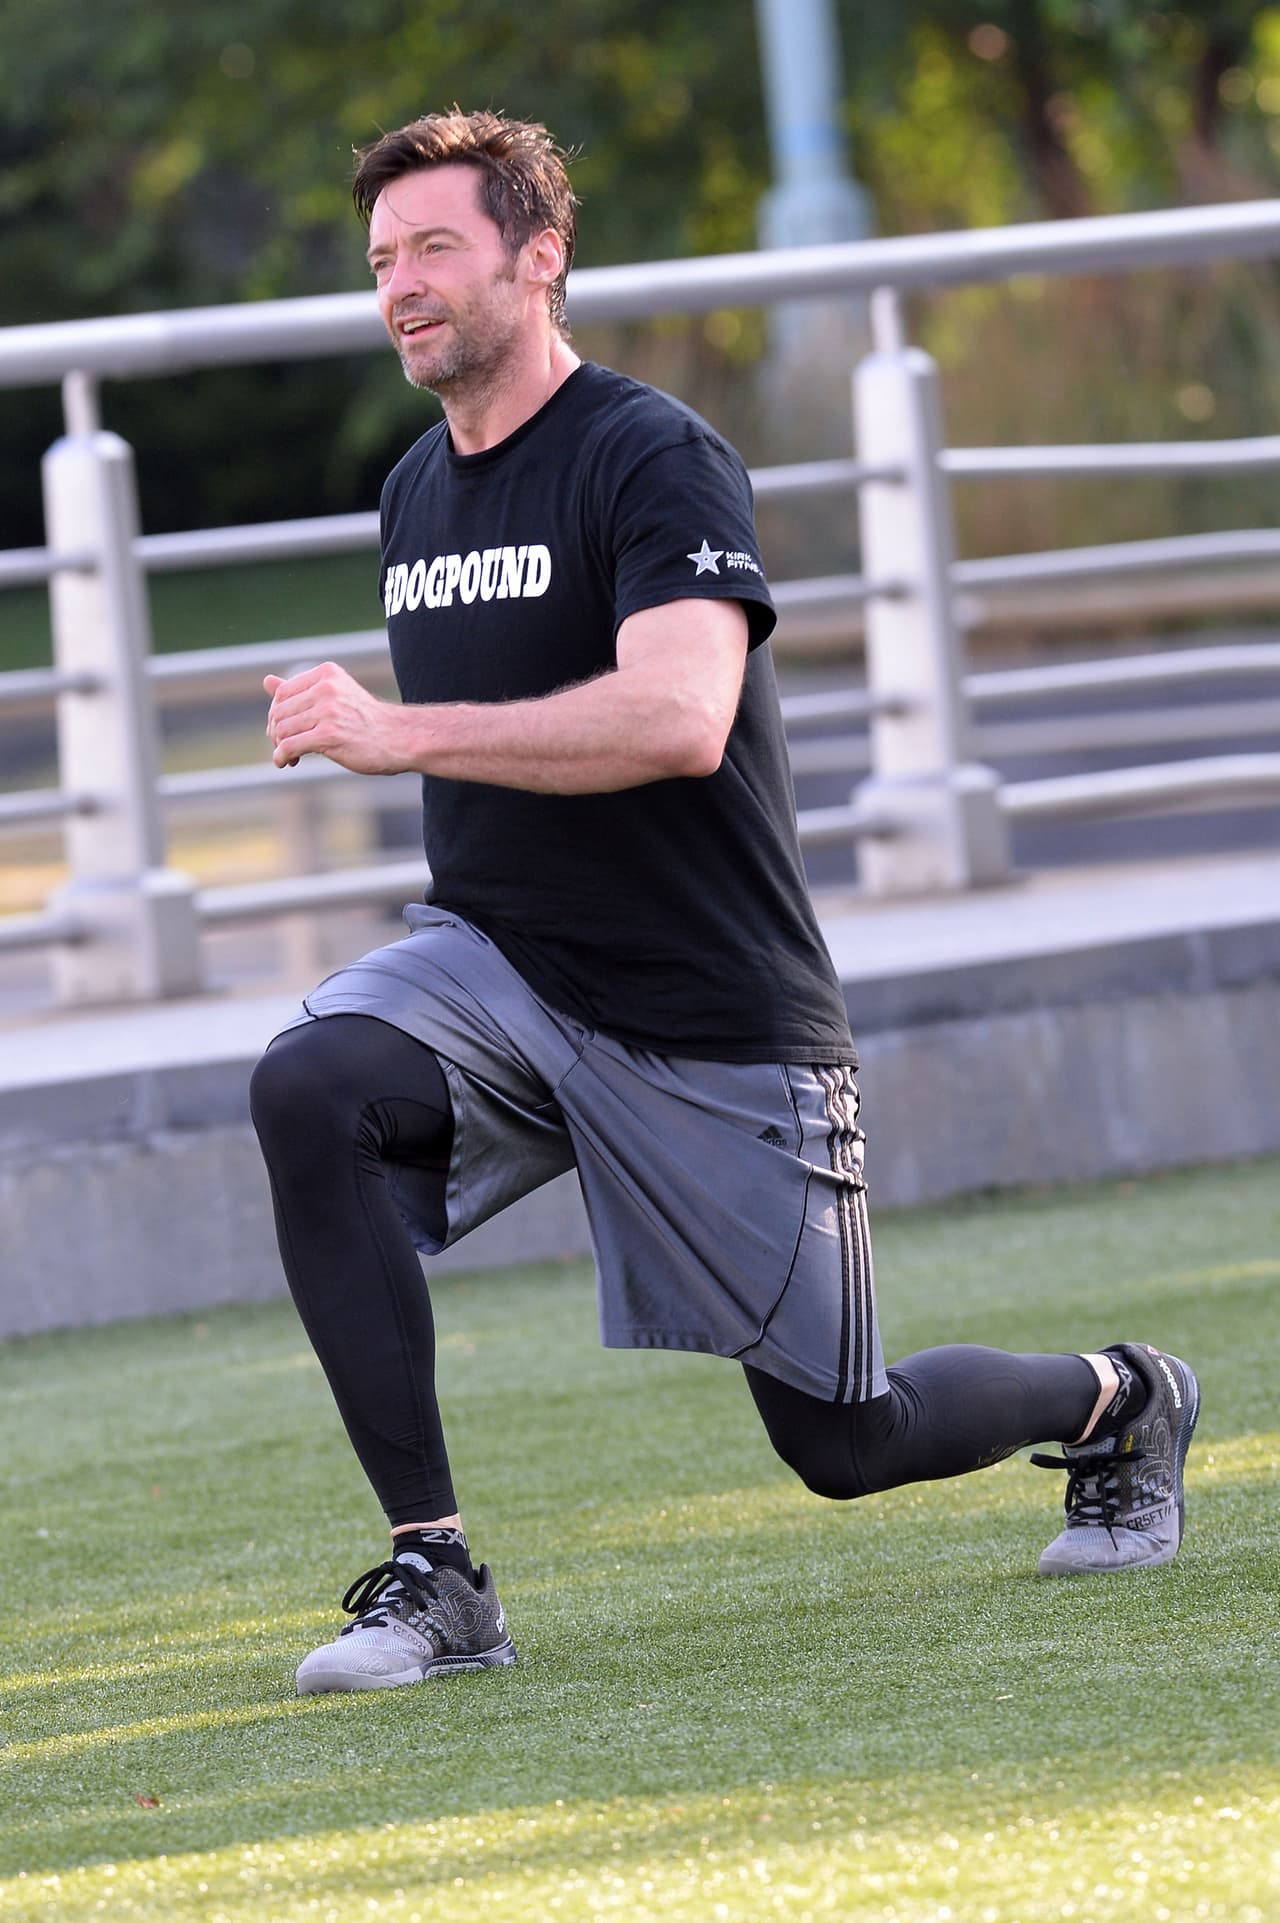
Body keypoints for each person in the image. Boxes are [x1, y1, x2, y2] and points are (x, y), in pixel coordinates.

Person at [249, 109, 1199, 1697]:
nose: (401, 287)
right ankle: (437, 1573)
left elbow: (678, 716)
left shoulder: (651, 454)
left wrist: (394, 730)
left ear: (538, 257)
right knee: (310, 1084)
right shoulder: (421, 491)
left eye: (435, 249)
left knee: (847, 1439)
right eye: (381, 261)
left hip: (705, 1011)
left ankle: (1121, 1396)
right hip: (494, 967)